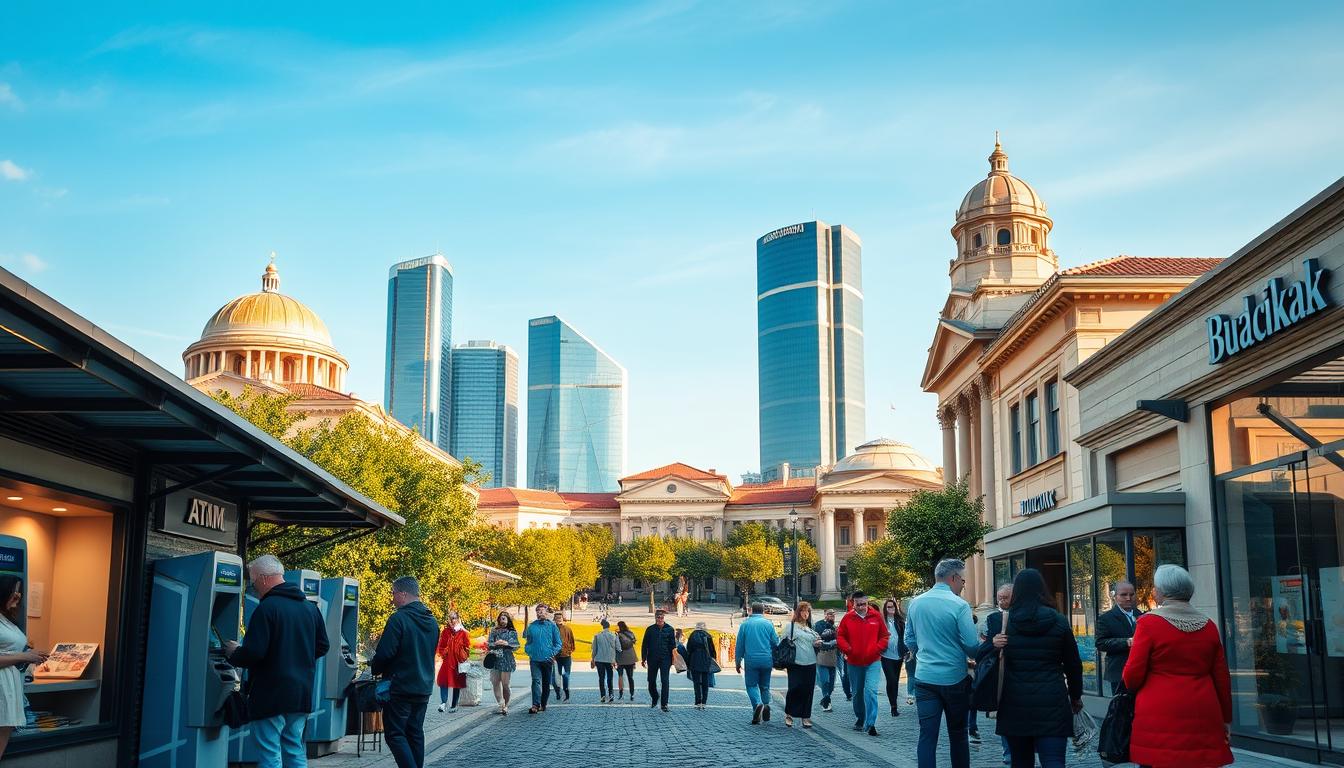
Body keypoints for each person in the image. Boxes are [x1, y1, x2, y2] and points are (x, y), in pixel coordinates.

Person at [223, 554, 329, 768]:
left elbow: (254, 653)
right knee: (294, 748)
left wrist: (234, 652)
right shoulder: (310, 609)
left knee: (270, 752)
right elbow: (323, 646)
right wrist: (297, 657)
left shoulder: (267, 608)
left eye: (253, 583)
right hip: (300, 692)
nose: (254, 588)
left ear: (263, 578)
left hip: (270, 693)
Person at [1122, 564, 1233, 768]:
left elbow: (1132, 675)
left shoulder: (1149, 624)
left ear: (1162, 592)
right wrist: (1226, 717)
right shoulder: (1208, 625)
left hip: (1159, 710)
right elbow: (1222, 678)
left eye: (1155, 587)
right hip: (1203, 709)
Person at [988, 569, 1083, 768]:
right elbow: (1073, 664)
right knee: (1054, 761)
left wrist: (992, 645)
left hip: (1015, 702)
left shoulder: (1004, 623)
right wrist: (1075, 696)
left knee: (1021, 762)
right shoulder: (1058, 621)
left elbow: (985, 658)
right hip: (1052, 701)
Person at [905, 559, 981, 768]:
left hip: (925, 677)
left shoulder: (916, 602)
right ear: (954, 578)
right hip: (954, 678)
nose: (963, 585)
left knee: (927, 737)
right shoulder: (959, 605)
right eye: (963, 581)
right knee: (958, 735)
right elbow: (971, 645)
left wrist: (924, 651)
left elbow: (909, 639)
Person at [370, 576, 439, 768]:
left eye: (393, 593)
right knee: (415, 732)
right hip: (423, 686)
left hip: (400, 687)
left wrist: (374, 668)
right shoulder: (432, 621)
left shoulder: (399, 618)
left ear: (402, 594)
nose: (392, 598)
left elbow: (385, 653)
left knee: (395, 734)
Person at [0, 575, 48, 761]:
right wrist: (24, 656)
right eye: (14, 591)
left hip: (9, 689)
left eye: (20, 592)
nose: (18, 596)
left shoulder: (8, 620)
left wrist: (30, 656)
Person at [837, 590, 888, 737]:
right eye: (858, 605)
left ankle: (871, 723)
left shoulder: (876, 616)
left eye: (864, 604)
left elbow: (884, 636)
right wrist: (848, 649)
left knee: (871, 690)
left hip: (873, 661)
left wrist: (877, 648)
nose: (861, 607)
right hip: (854, 662)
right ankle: (860, 717)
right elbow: (840, 636)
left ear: (867, 603)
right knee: (857, 692)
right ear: (853, 604)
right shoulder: (848, 618)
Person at [735, 602, 780, 724]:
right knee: (765, 686)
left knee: (751, 685)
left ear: (751, 611)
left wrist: (737, 662)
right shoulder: (768, 624)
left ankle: (757, 704)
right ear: (763, 611)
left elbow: (740, 645)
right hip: (766, 660)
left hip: (751, 660)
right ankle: (765, 705)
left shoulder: (745, 625)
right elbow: (775, 642)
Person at [1095, 580, 1141, 695]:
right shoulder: (1106, 618)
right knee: (1121, 709)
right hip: (1119, 672)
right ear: (1115, 596)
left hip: (1139, 671)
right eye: (1124, 595)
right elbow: (1100, 643)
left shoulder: (1140, 614)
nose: (1128, 598)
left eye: (1131, 594)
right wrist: (1127, 642)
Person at [985, 583, 1013, 765]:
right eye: (999, 598)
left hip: (1021, 673)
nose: (1001, 601)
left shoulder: (1025, 617)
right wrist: (993, 643)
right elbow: (985, 648)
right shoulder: (994, 618)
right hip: (1002, 673)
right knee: (1004, 715)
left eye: (1005, 597)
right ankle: (1008, 752)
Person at [784, 601, 822, 728]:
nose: (805, 614)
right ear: (798, 612)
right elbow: (783, 642)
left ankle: (805, 716)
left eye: (808, 611)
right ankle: (789, 714)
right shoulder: (791, 627)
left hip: (810, 662)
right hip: (796, 662)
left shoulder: (810, 628)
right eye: (803, 611)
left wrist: (817, 643)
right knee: (794, 688)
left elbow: (816, 640)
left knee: (808, 690)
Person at [523, 604, 562, 714]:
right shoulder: (532, 626)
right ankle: (535, 704)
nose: (541, 613)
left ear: (547, 612)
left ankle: (543, 704)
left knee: (546, 683)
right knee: (536, 680)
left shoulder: (552, 626)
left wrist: (552, 653)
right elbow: (528, 642)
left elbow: (558, 643)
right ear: (536, 613)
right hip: (534, 659)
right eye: (538, 611)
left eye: (543, 611)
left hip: (547, 659)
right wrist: (529, 651)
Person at [434, 611, 470, 713]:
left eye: (454, 618)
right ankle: (443, 703)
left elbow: (467, 647)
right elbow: (441, 646)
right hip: (447, 660)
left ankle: (454, 704)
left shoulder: (463, 633)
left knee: (456, 682)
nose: (452, 620)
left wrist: (464, 655)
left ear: (458, 619)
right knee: (443, 681)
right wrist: (444, 652)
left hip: (458, 661)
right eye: (450, 618)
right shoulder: (445, 632)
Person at [642, 608, 676, 711]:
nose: (660, 619)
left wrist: (673, 659)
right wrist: (643, 658)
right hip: (652, 658)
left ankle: (664, 704)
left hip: (665, 658)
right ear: (655, 618)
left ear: (664, 618)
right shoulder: (650, 629)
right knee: (651, 681)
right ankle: (655, 696)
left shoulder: (669, 629)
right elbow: (645, 645)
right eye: (658, 617)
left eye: (661, 617)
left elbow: (673, 646)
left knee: (665, 681)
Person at [485, 611, 519, 715]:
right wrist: (495, 643)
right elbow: (488, 644)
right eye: (501, 618)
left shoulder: (512, 632)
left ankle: (506, 704)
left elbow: (516, 645)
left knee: (505, 684)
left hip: (507, 660)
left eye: (504, 618)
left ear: (508, 620)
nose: (502, 620)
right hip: (495, 659)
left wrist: (507, 643)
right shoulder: (494, 631)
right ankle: (501, 704)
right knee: (495, 682)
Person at [880, 598, 908, 718]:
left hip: (898, 655)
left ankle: (895, 705)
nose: (891, 609)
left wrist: (906, 651)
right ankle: (893, 705)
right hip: (886, 655)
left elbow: (905, 637)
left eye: (892, 607)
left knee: (895, 681)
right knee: (890, 679)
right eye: (888, 607)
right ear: (885, 609)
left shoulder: (900, 621)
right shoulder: (882, 622)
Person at [813, 607, 840, 712]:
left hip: (833, 656)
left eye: (833, 614)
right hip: (822, 655)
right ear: (825, 614)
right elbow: (818, 638)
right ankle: (826, 701)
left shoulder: (835, 626)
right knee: (825, 681)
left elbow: (839, 639)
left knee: (832, 684)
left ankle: (826, 697)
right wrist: (832, 641)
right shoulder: (819, 624)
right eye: (829, 614)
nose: (832, 616)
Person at [684, 621, 716, 710]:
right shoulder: (708, 636)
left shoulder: (692, 635)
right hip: (706, 660)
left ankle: (698, 702)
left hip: (694, 660)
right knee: (705, 682)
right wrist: (713, 659)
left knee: (696, 683)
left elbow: (689, 649)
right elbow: (712, 650)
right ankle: (704, 702)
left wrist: (688, 662)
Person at [591, 619, 618, 702]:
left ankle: (602, 695)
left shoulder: (597, 635)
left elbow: (594, 649)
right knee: (610, 677)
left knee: (601, 678)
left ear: (602, 626)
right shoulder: (614, 635)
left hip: (599, 659)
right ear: (609, 627)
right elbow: (617, 648)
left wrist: (592, 659)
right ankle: (611, 694)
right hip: (610, 660)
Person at [552, 610, 575, 702]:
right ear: (554, 619)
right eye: (557, 618)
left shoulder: (568, 629)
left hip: (566, 655)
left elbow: (572, 641)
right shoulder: (552, 629)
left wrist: (570, 650)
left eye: (560, 618)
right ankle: (557, 691)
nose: (559, 619)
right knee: (554, 677)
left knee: (566, 675)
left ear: (562, 619)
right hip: (555, 657)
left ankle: (566, 692)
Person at [615, 620, 638, 701]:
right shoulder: (630, 633)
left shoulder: (618, 635)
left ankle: (621, 693)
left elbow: (617, 646)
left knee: (620, 676)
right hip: (630, 656)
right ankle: (632, 694)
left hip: (621, 657)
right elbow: (634, 641)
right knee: (630, 677)